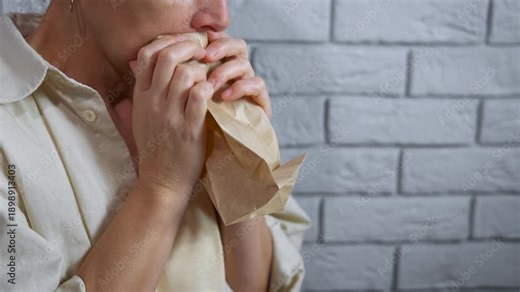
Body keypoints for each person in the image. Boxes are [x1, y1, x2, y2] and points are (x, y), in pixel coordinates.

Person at [0, 0, 311, 291]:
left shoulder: (198, 93)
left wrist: (237, 164)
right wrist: (164, 186)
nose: (219, 18)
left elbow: (255, 285)